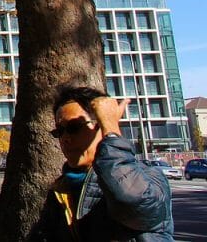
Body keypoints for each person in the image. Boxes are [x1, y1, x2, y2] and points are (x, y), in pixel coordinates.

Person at [32, 86, 173, 241]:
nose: (65, 138)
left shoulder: (147, 177)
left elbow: (134, 206)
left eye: (74, 128)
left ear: (102, 124)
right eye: (60, 131)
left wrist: (111, 131)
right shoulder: (61, 190)